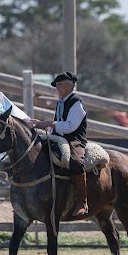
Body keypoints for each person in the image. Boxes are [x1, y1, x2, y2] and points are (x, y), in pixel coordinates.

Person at [29, 71, 88, 216]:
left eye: (60, 84)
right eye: (57, 85)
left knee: (75, 162)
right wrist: (41, 124)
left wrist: (49, 123)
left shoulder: (76, 102)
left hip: (74, 139)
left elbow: (70, 127)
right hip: (59, 137)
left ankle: (83, 201)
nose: (57, 87)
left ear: (69, 85)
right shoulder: (61, 102)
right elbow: (59, 125)